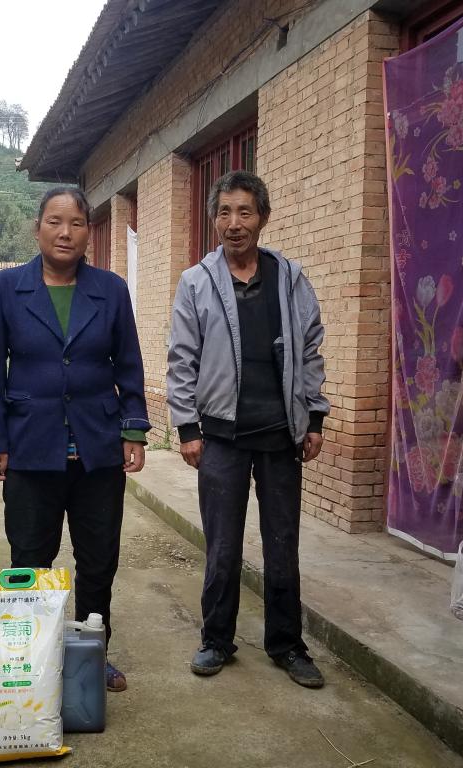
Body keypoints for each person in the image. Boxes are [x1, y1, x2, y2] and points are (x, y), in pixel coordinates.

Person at [0, 186, 150, 693]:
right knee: (30, 559)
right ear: (37, 229)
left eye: (76, 222)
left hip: (97, 449)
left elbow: (128, 363)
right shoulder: (7, 288)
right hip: (31, 448)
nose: (65, 232)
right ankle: (32, 663)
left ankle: (93, 656)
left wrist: (133, 429)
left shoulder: (110, 290)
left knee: (98, 560)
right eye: (55, 221)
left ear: (88, 232)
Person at [167, 170, 330, 688]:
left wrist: (315, 416)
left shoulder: (290, 278)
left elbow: (310, 350)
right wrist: (187, 426)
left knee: (283, 544)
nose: (234, 223)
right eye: (224, 212)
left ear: (263, 217)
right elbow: (182, 359)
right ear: (214, 220)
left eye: (245, 212)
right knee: (222, 545)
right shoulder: (196, 282)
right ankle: (216, 639)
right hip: (222, 437)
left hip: (281, 435)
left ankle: (287, 645)